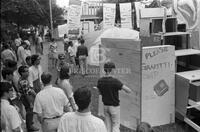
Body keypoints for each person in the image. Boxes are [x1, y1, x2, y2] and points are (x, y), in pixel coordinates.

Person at [97, 62, 132, 132]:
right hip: (114, 107)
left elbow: (100, 93)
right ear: (111, 70)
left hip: (105, 106)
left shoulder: (100, 81)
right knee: (115, 125)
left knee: (108, 126)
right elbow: (128, 90)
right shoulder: (115, 81)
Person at [18, 65, 39, 131]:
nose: (28, 72)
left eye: (28, 71)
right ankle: (29, 127)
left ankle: (30, 123)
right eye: (26, 71)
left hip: (27, 97)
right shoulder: (23, 82)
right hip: (27, 98)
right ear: (22, 73)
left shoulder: (23, 79)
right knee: (30, 111)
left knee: (29, 111)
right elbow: (26, 94)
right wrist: (30, 103)